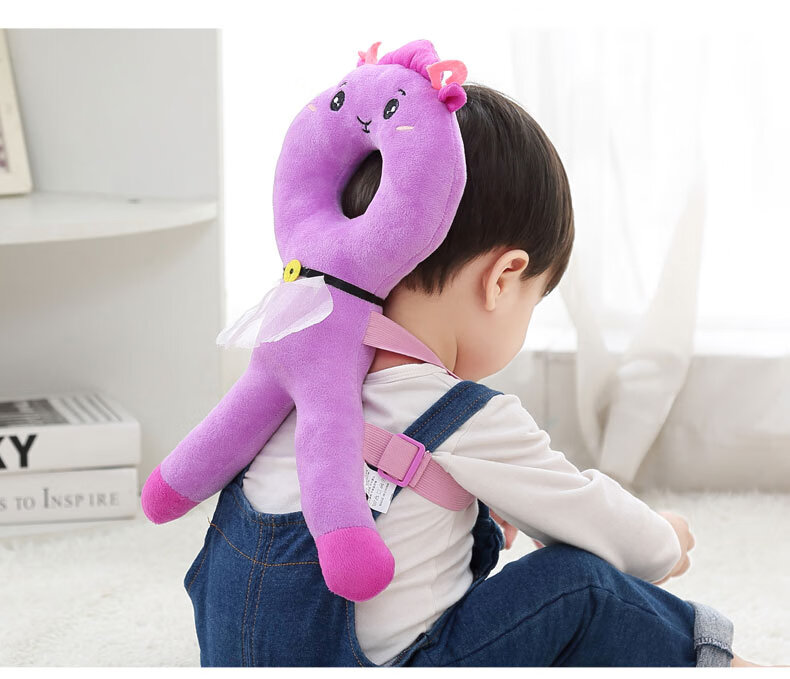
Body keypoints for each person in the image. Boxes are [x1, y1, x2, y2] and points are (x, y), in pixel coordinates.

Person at [184, 83, 764, 667]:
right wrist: (665, 538)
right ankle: (728, 665)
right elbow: (599, 522)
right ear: (503, 278)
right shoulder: (465, 417)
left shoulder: (284, 388)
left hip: (233, 657)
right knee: (581, 587)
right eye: (535, 298)